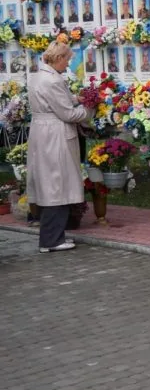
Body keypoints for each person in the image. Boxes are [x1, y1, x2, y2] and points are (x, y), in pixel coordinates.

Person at [26, 42, 93, 253]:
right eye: (67, 59)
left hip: (42, 131)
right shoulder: (53, 80)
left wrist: (76, 98)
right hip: (55, 134)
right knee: (58, 183)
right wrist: (90, 109)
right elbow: (68, 114)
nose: (68, 63)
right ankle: (52, 239)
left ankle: (50, 238)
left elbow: (55, 100)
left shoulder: (38, 75)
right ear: (57, 58)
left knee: (50, 182)